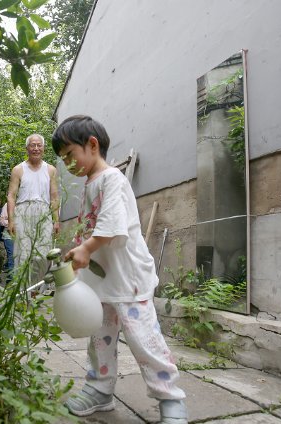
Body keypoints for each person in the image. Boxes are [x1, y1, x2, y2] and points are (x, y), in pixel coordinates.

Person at [51, 115, 188, 424]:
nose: (67, 164)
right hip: (101, 283)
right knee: (100, 340)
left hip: (128, 281)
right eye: (62, 160)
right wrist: (78, 258)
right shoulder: (90, 183)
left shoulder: (113, 179)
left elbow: (110, 225)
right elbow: (89, 229)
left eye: (69, 155)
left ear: (92, 145)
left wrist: (86, 248)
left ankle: (170, 399)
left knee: (144, 340)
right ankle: (100, 390)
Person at [7, 134, 60, 287]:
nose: (36, 148)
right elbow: (11, 196)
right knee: (23, 254)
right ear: (27, 148)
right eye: (33, 145)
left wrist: (56, 221)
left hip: (44, 213)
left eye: (39, 145)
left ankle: (37, 289)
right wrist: (11, 220)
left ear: (43, 148)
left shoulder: (50, 170)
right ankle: (22, 291)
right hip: (23, 212)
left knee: (43, 254)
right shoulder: (18, 169)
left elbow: (54, 197)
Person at [0, 203, 14, 283]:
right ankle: (11, 279)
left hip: (22, 234)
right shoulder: (8, 204)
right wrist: (12, 223)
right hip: (8, 234)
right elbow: (2, 220)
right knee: (11, 255)